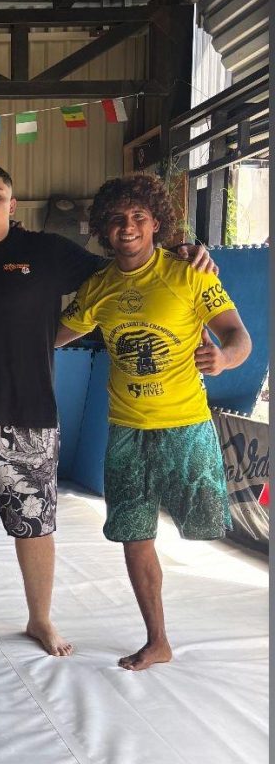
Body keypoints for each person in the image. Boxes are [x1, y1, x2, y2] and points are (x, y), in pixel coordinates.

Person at [0, 164, 215, 656]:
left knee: (35, 525)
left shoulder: (47, 252)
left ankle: (40, 619)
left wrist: (183, 251)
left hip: (30, 415)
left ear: (12, 205)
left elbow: (124, 264)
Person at [56, 173, 250, 671]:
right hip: (126, 430)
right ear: (104, 228)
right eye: (118, 219)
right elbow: (51, 337)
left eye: (138, 217)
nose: (128, 227)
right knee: (134, 533)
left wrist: (224, 359)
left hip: (186, 426)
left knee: (210, 530)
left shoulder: (190, 274)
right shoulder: (98, 287)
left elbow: (238, 337)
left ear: (156, 223)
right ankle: (157, 640)